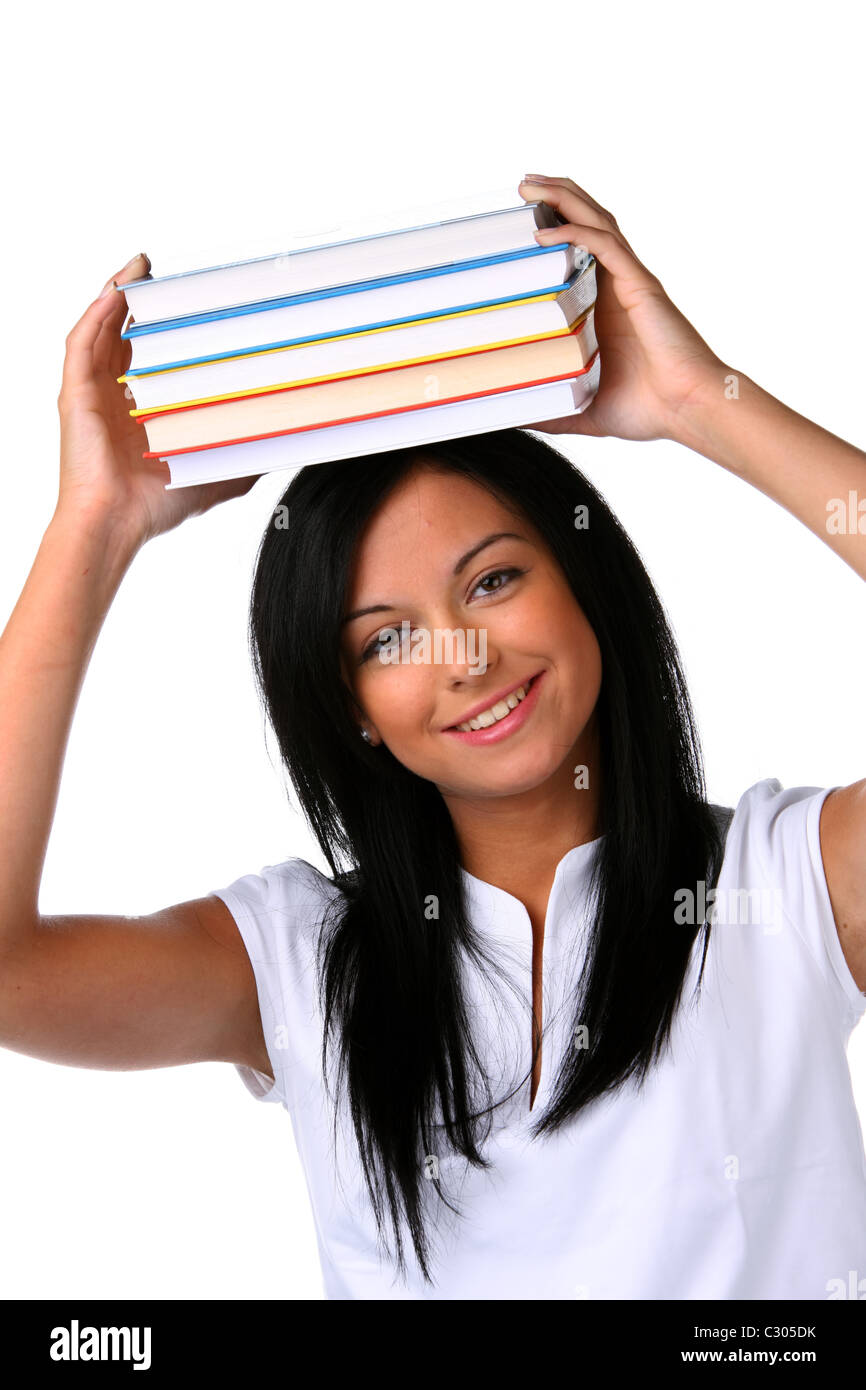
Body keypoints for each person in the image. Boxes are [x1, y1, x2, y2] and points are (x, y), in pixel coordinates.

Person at [0, 175, 864, 1301]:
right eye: (384, 638)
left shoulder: (786, 887)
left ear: (584, 588)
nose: (461, 657)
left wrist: (704, 402)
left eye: (493, 580)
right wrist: (95, 524)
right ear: (349, 701)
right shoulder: (297, 965)